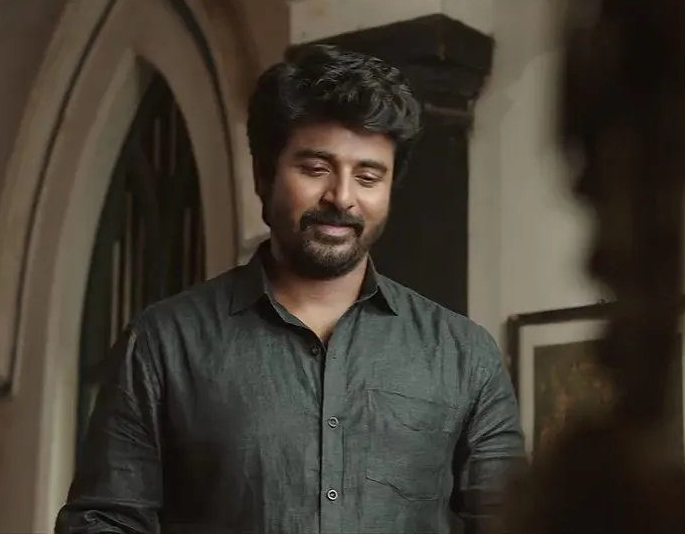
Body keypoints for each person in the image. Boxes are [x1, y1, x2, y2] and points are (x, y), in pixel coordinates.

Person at [57, 44, 525, 534]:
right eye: (316, 168)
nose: (342, 197)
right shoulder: (164, 343)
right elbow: (104, 523)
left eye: (368, 176)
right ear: (264, 176)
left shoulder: (464, 355)